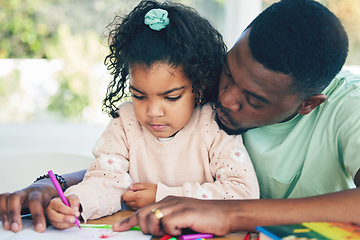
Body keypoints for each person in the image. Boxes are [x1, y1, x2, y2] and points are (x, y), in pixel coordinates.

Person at [1, 0, 359, 236]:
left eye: (253, 98)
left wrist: (230, 213)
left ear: (307, 104)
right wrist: (59, 186)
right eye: (230, 73)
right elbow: (144, 158)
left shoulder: (349, 107)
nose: (227, 98)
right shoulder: (204, 84)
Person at [8, 0, 259, 232]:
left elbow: (243, 193)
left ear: (199, 88)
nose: (152, 111)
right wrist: (76, 203)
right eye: (139, 96)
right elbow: (107, 181)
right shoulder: (125, 121)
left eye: (170, 98)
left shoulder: (213, 123)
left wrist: (162, 196)